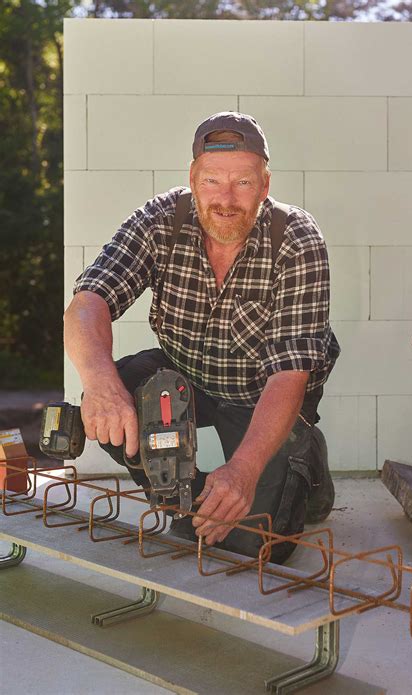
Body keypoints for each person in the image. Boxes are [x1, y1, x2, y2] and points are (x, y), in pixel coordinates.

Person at [64, 112, 340, 564]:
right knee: (114, 404)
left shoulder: (296, 238)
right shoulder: (161, 219)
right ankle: (189, 498)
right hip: (186, 376)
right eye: (212, 180)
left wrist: (244, 472)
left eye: (244, 183)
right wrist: (100, 383)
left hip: (263, 393)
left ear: (264, 185)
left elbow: (289, 375)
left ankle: (303, 461)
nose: (226, 198)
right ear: (193, 179)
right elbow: (88, 302)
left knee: (255, 546)